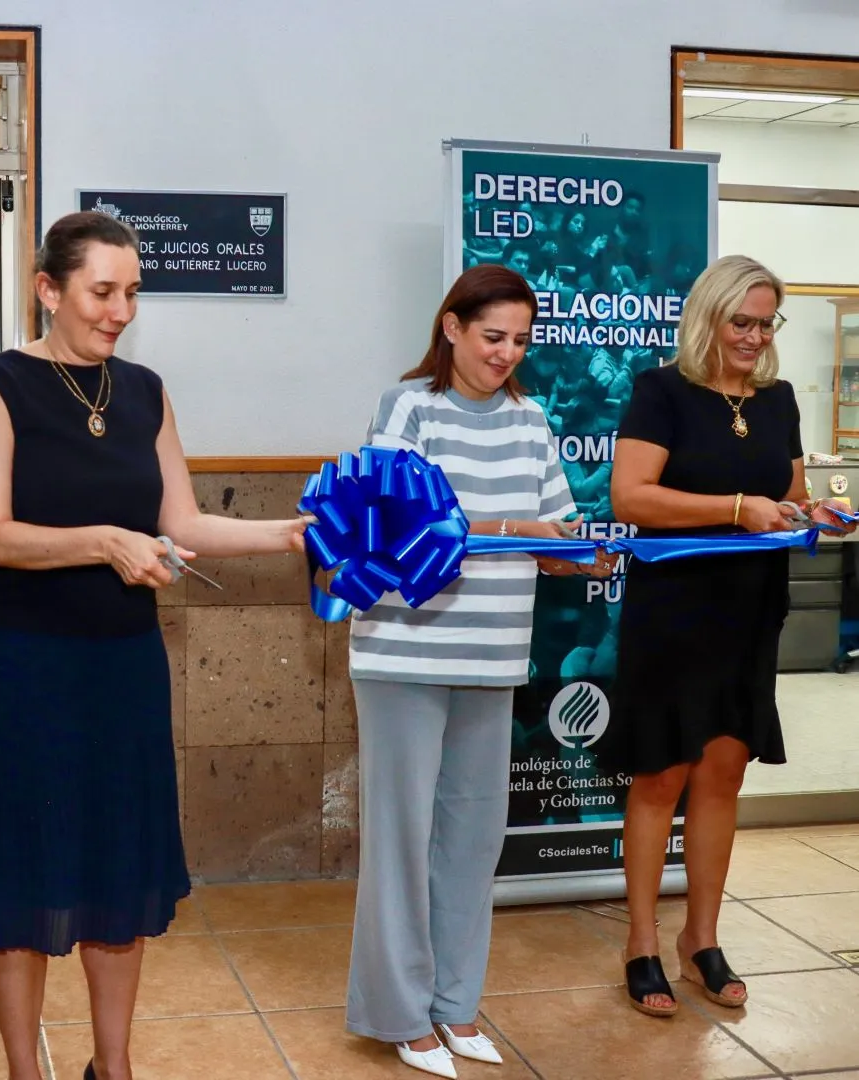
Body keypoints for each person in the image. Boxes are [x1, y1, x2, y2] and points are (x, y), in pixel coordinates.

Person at [0, 210, 309, 1080]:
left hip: (124, 672)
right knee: (25, 881)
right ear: (48, 289)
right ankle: (24, 1071)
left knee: (119, 877)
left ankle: (115, 1067)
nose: (119, 311)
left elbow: (181, 524)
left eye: (131, 293)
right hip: (28, 672)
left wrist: (291, 534)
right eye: (102, 291)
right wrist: (106, 541)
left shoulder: (144, 392)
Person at [345, 265, 611, 1079]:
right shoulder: (407, 407)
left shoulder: (533, 418)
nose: (507, 354)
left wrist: (574, 551)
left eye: (521, 341)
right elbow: (398, 521)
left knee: (470, 840)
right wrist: (514, 525)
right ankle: (400, 1014)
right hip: (403, 653)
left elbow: (552, 527)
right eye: (493, 336)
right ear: (452, 327)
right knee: (401, 840)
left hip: (492, 658)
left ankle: (455, 1007)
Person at [607, 255, 856, 1018]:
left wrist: (811, 515)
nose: (753, 336)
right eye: (740, 321)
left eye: (765, 322)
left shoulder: (778, 401)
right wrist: (736, 507)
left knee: (723, 774)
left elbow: (790, 496)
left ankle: (700, 941)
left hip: (750, 610)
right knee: (661, 776)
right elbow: (632, 497)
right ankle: (641, 942)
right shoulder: (661, 392)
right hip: (673, 611)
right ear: (708, 317)